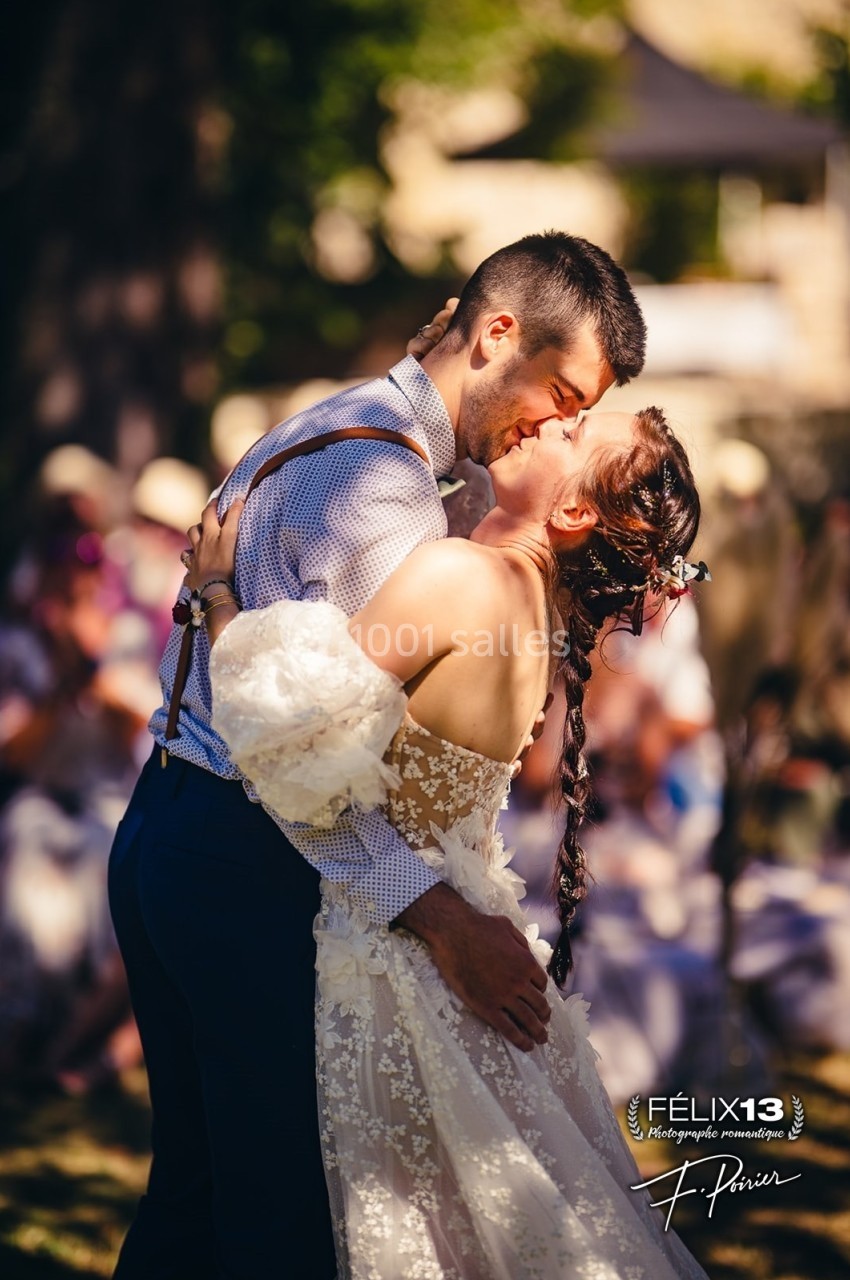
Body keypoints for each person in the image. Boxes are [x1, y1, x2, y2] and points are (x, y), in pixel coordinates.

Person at [108, 231, 647, 1279]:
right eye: (563, 393)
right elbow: (306, 761)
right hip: (250, 857)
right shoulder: (383, 493)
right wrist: (439, 913)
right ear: (496, 333)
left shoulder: (342, 422)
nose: (563, 424)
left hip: (168, 827)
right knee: (275, 1218)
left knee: (195, 1196)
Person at [188, 404, 711, 1277]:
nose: (546, 418)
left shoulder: (459, 578)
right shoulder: (528, 599)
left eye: (574, 431)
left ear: (576, 513)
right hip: (463, 932)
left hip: (397, 959)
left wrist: (217, 592)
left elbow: (281, 734)